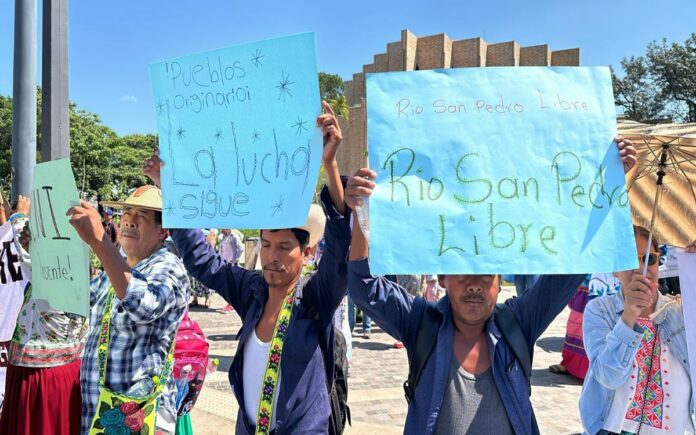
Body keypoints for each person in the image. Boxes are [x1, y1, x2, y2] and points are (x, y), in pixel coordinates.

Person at [345, 136, 637, 435]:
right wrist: (360, 212)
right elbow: (364, 285)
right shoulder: (421, 322)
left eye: (486, 275)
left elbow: (574, 266)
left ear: (500, 281)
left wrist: (608, 186)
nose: (475, 285)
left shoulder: (518, 323)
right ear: (443, 278)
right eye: (462, 273)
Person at [144, 101, 352, 434]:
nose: (272, 256)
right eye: (266, 245)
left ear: (307, 251)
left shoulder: (316, 297)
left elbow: (342, 256)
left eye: (285, 247)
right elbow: (204, 262)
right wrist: (171, 191)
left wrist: (329, 164)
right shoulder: (252, 291)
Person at [67, 185, 190, 435]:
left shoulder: (169, 267)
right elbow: (75, 302)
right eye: (127, 214)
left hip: (140, 414)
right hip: (100, 413)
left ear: (162, 231)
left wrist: (100, 242)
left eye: (142, 217)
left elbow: (144, 305)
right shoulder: (118, 268)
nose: (130, 222)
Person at [580, 227, 696, 434]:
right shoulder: (599, 311)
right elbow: (609, 377)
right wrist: (629, 315)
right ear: (614, 269)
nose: (641, 269)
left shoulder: (682, 311)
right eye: (629, 261)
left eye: (649, 259)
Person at [218, 228, 245, 313]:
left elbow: (241, 248)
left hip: (232, 264)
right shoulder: (224, 237)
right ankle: (231, 304)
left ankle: (231, 305)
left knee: (231, 285)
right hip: (225, 264)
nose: (222, 229)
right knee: (227, 285)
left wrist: (234, 260)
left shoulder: (234, 236)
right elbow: (222, 249)